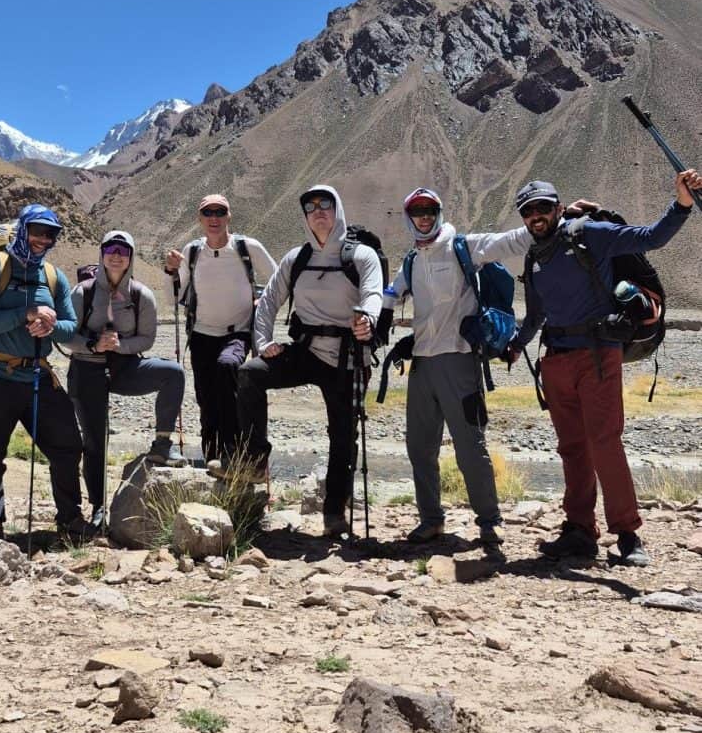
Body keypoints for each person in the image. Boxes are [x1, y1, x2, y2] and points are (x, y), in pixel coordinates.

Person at [509, 170, 702, 566]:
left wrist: (682, 203)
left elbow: (652, 237)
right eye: (528, 211)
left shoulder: (589, 234)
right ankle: (579, 529)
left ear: (558, 208)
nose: (536, 216)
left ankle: (628, 534)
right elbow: (535, 315)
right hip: (556, 359)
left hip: (597, 355)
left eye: (543, 208)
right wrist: (514, 346)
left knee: (604, 443)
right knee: (571, 448)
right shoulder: (535, 256)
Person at [223, 185, 382, 538]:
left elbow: (373, 293)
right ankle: (254, 458)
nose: (318, 211)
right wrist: (262, 343)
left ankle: (334, 514)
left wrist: (367, 319)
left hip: (347, 357)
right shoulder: (297, 258)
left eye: (325, 204)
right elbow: (267, 302)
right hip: (306, 350)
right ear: (305, 217)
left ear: (337, 209)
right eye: (310, 207)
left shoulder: (361, 256)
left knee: (343, 435)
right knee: (250, 374)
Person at [382, 188, 532, 551]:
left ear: (439, 212)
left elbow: (509, 242)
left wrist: (550, 223)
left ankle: (489, 521)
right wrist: (378, 311)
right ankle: (431, 520)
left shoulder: (463, 246)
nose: (424, 217)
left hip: (460, 360)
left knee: (470, 446)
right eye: (416, 211)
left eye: (430, 210)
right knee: (419, 447)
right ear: (408, 216)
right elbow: (391, 292)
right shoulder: (412, 261)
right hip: (422, 364)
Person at [0, 203, 90, 540]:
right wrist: (25, 313)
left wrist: (51, 325)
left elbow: (69, 327)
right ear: (22, 230)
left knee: (67, 446)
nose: (43, 239)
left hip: (36, 375)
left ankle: (70, 518)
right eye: (37, 231)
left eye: (51, 234)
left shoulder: (52, 276)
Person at [64, 230, 187, 527]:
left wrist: (121, 346)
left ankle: (162, 444)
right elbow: (67, 335)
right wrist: (94, 344)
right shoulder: (83, 292)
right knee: (95, 440)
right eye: (110, 248)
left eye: (123, 249)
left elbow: (146, 339)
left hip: (124, 368)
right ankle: (97, 506)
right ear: (102, 253)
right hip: (87, 368)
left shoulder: (141, 295)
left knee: (173, 374)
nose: (116, 255)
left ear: (130, 256)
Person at [163, 195, 277, 463]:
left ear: (229, 216)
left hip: (237, 331)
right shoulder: (192, 251)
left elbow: (278, 278)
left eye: (219, 212)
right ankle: (213, 456)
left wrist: (262, 301)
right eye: (207, 213)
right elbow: (173, 297)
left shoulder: (247, 247)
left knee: (228, 368)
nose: (214, 218)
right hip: (201, 334)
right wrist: (170, 271)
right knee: (206, 398)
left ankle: (233, 453)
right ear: (200, 219)